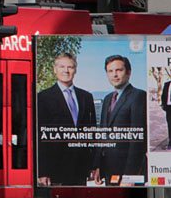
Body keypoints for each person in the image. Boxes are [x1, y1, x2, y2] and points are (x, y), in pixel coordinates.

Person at [36, 52, 97, 186]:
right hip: (55, 167)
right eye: (62, 67)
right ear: (55, 69)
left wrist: (94, 164)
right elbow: (39, 137)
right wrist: (42, 171)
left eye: (70, 67)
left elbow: (92, 132)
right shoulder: (43, 97)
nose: (66, 70)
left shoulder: (86, 97)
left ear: (75, 70)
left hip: (81, 167)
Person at [93, 55, 147, 185]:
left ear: (128, 72)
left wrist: (130, 175)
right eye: (110, 71)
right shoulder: (107, 98)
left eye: (119, 70)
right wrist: (98, 165)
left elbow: (137, 140)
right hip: (108, 168)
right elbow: (102, 133)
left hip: (127, 170)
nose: (114, 75)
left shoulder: (138, 96)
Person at [160, 73, 171, 149]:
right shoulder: (166, 84)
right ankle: (170, 142)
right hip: (169, 107)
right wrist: (163, 105)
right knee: (169, 124)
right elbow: (163, 95)